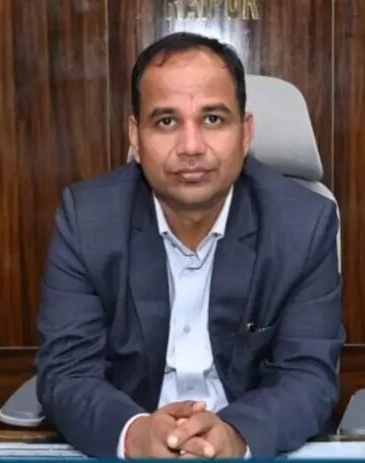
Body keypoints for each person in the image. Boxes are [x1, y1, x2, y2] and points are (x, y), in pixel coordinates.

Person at [35, 31, 344, 459]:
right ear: (135, 137)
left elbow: (308, 377)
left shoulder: (302, 225)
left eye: (213, 119)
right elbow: (66, 374)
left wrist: (235, 435)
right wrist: (136, 435)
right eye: (166, 122)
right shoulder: (88, 221)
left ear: (246, 133)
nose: (192, 147)